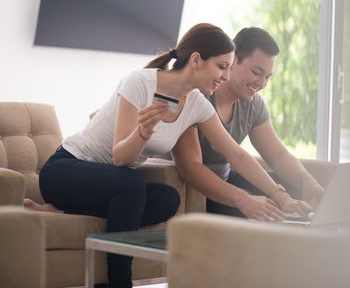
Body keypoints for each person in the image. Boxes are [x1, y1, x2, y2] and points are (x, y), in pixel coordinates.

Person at [27, 23, 307, 288]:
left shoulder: (196, 103)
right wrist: (143, 133)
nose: (224, 76)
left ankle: (63, 210)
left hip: (108, 188)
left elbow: (237, 155)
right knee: (131, 184)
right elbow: (120, 158)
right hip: (65, 170)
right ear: (196, 60)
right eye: (221, 66)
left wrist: (278, 193)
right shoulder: (140, 82)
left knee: (167, 200)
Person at [174, 27, 324, 219]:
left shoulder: (252, 104)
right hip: (201, 189)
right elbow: (191, 167)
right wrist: (247, 198)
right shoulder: (198, 96)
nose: (261, 83)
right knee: (265, 208)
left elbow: (278, 155)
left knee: (291, 186)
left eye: (267, 77)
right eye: (256, 72)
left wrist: (307, 183)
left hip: (227, 177)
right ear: (232, 59)